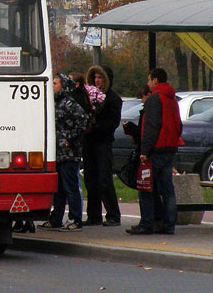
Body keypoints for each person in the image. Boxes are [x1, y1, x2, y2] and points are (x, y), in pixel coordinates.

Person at [127, 67, 182, 235]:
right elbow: (178, 124)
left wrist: (145, 150)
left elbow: (150, 127)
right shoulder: (171, 98)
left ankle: (147, 223)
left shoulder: (154, 99)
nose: (148, 83)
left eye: (149, 79)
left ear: (156, 80)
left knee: (146, 187)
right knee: (167, 188)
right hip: (170, 147)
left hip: (156, 148)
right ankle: (169, 224)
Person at [39, 73, 89, 232]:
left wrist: (71, 138)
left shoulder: (69, 103)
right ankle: (56, 219)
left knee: (71, 186)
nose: (52, 86)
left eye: (55, 83)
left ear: (63, 86)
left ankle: (76, 219)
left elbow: (84, 120)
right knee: (58, 188)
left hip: (69, 153)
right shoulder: (55, 102)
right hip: (57, 153)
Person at [82, 65, 123, 227]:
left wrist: (95, 126)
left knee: (104, 180)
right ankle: (94, 215)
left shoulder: (112, 99)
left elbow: (112, 122)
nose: (97, 81)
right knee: (90, 179)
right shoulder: (89, 96)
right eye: (95, 77)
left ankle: (113, 215)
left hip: (103, 143)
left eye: (100, 77)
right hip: (89, 142)